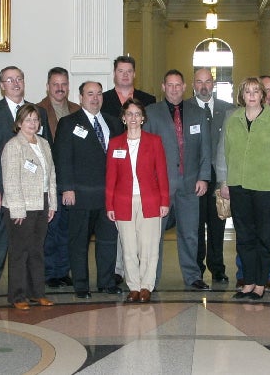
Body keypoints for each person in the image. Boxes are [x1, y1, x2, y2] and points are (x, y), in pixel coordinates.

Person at [0, 66, 51, 300]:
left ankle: (32, 288)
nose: (15, 83)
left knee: (32, 244)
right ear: (2, 85)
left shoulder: (38, 111)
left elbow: (45, 154)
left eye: (19, 78)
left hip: (34, 194)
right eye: (10, 80)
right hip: (2, 190)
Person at [221, 77, 270, 300]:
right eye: (247, 91)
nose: (251, 95)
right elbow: (228, 153)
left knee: (264, 237)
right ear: (242, 95)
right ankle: (248, 281)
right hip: (239, 186)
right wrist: (227, 181)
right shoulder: (233, 120)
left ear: (263, 95)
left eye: (256, 91)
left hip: (267, 187)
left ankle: (261, 283)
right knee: (244, 237)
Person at [54, 81, 125, 298]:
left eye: (99, 94)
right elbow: (62, 158)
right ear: (81, 96)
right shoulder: (69, 123)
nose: (95, 98)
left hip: (108, 196)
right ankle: (81, 285)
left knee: (107, 241)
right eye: (90, 94)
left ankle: (106, 281)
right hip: (80, 195)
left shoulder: (113, 123)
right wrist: (67, 188)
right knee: (79, 243)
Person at [143, 69, 211, 291]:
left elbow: (205, 148)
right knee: (155, 235)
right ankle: (150, 278)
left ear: (184, 87)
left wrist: (204, 177)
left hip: (191, 183)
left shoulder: (197, 113)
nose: (174, 89)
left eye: (177, 85)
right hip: (160, 185)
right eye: (169, 85)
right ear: (163, 87)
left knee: (190, 233)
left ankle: (193, 276)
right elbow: (145, 151)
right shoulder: (151, 113)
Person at [106, 99, 170, 302]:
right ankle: (133, 286)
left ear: (143, 118)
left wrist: (164, 202)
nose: (133, 118)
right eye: (129, 114)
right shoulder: (115, 143)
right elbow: (110, 178)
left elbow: (162, 173)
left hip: (149, 200)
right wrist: (109, 204)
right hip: (122, 202)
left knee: (149, 246)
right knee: (128, 247)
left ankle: (146, 286)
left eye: (137, 114)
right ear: (123, 118)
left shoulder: (154, 141)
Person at [1, 104, 58, 310]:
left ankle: (37, 293)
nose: (32, 123)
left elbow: (51, 175)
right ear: (19, 123)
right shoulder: (13, 146)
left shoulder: (43, 144)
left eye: (35, 120)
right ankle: (18, 295)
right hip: (21, 206)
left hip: (41, 203)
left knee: (36, 251)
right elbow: (10, 180)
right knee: (20, 252)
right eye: (28, 120)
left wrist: (52, 203)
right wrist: (17, 209)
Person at [36, 67, 81, 288]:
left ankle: (63, 271)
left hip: (71, 179)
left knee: (67, 229)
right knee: (50, 228)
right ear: (47, 86)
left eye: (64, 84)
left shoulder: (76, 110)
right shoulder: (36, 110)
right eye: (55, 84)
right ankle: (49, 272)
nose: (60, 88)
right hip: (48, 180)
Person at [193, 68, 236, 284]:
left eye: (207, 82)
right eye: (199, 82)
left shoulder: (228, 109)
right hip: (195, 177)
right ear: (193, 84)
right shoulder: (186, 109)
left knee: (218, 224)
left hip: (219, 174)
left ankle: (218, 268)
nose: (203, 86)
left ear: (213, 84)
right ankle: (197, 268)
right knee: (197, 225)